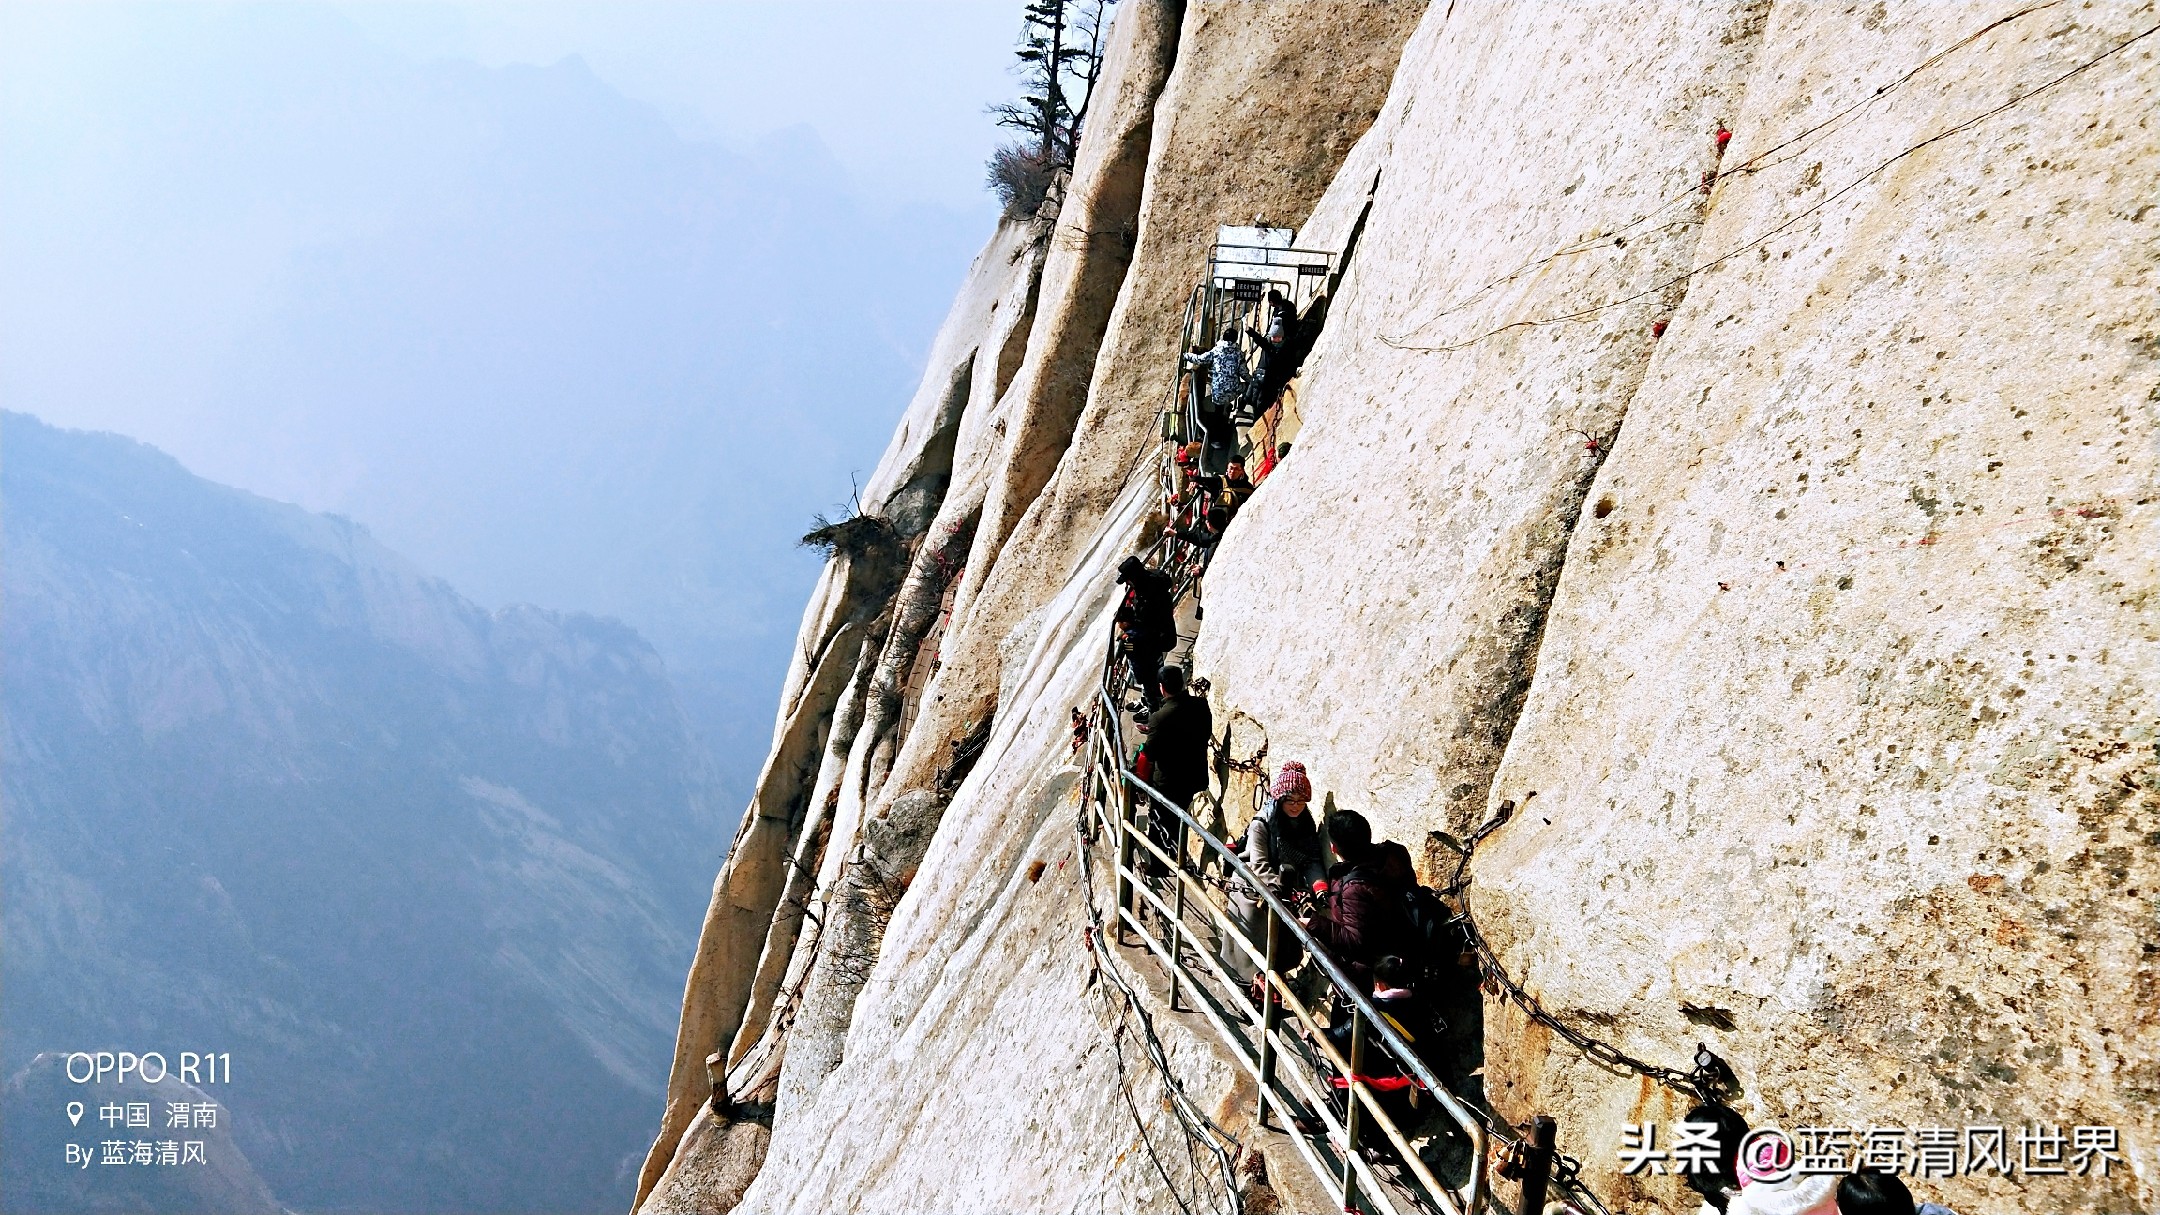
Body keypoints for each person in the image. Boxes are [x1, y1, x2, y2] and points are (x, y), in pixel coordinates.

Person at [1224, 761, 1326, 984]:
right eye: (1290, 800)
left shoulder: (1305, 826)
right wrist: (1283, 889)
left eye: (1301, 801)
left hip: (1287, 888)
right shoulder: (1262, 824)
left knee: (1286, 944)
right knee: (1252, 935)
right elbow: (1259, 864)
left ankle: (1273, 985)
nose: (1295, 806)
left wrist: (1319, 888)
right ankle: (1246, 981)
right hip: (1253, 885)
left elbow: (1312, 860)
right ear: (1280, 799)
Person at [1305, 810, 1409, 989]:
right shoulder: (1394, 852)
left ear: (1333, 848)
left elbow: (1355, 942)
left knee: (1347, 1014)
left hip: (1374, 973)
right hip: (1405, 943)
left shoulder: (1354, 888)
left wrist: (1314, 923)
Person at [1133, 664, 1213, 881]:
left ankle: (1159, 866)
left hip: (1169, 782)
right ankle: (1180, 858)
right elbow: (1204, 733)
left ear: (1161, 688)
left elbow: (1149, 753)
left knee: (1159, 823)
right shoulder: (1200, 705)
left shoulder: (1159, 718)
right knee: (1180, 820)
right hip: (1196, 774)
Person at [1114, 556, 1177, 708]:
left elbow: (1134, 653)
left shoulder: (1145, 599)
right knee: (1157, 673)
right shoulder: (1156, 577)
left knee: (1152, 687)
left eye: (1129, 579)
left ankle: (1155, 712)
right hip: (1166, 633)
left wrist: (1126, 636)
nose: (1128, 583)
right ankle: (1158, 701)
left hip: (1154, 645)